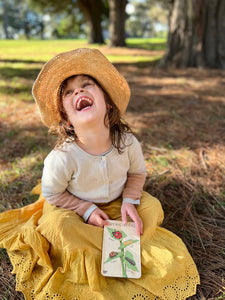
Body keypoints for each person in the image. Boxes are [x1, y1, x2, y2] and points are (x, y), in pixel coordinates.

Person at [0, 48, 200, 300]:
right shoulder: (63, 157)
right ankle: (96, 253)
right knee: (61, 226)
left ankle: (130, 245)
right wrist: (86, 209)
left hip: (117, 202)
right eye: (69, 92)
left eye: (86, 85)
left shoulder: (126, 142)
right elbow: (53, 193)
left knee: (152, 207)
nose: (79, 92)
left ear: (107, 102)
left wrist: (129, 200)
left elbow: (137, 173)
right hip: (72, 206)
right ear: (66, 118)